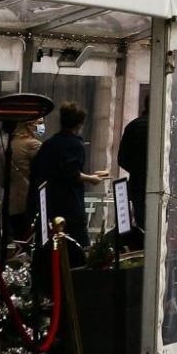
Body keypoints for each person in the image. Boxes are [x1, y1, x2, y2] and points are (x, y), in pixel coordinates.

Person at [28, 102, 106, 264]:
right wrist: (92, 178)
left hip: (49, 206)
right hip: (70, 207)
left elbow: (38, 169)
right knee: (78, 252)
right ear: (79, 124)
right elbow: (72, 173)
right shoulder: (75, 144)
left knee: (50, 252)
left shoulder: (49, 144)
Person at [3, 117, 43, 243]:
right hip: (28, 201)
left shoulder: (10, 143)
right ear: (29, 125)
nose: (42, 127)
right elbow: (47, 168)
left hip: (12, 202)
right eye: (40, 123)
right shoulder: (32, 144)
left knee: (18, 240)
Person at [116, 95, 149, 247]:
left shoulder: (133, 126)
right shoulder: (165, 126)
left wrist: (137, 170)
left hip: (138, 186)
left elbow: (122, 159)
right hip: (163, 187)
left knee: (142, 225)